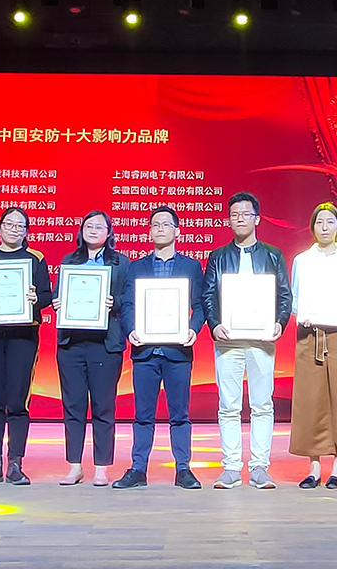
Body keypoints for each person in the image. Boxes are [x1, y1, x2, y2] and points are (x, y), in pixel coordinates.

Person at [202, 191, 293, 490]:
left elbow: (284, 294)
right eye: (234, 215)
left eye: (245, 214)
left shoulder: (272, 255)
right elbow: (208, 294)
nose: (240, 219)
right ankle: (230, 467)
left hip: (262, 340)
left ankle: (259, 467)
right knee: (228, 405)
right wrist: (214, 324)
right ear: (229, 220)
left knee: (262, 405)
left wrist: (280, 322)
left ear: (257, 218)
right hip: (227, 340)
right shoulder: (218, 256)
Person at [113, 206, 206, 490]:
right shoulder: (136, 267)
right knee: (143, 416)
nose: (160, 229)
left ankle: (183, 469)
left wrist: (193, 329)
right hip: (145, 352)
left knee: (180, 415)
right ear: (150, 232)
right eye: (155, 225)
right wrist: (131, 330)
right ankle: (138, 469)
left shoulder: (191, 266)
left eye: (166, 224)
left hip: (178, 352)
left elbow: (200, 305)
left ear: (177, 231)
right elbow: (128, 304)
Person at [0, 207, 52, 486]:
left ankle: (15, 464)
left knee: (17, 401)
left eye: (20, 226)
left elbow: (47, 296)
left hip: (23, 336)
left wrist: (35, 299)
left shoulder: (35, 259)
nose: (15, 229)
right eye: (9, 224)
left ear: (26, 231)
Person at [289, 203, 337, 490]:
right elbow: (295, 297)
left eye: (329, 222)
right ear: (312, 227)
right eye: (319, 222)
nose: (324, 227)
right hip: (310, 335)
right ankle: (313, 467)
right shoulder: (302, 260)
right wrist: (303, 314)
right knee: (311, 400)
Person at [52, 210, 129, 487]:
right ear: (81, 231)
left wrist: (113, 302)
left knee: (103, 406)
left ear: (109, 233)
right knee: (73, 406)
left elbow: (129, 298)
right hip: (72, 344)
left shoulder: (120, 263)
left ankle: (101, 467)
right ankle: (74, 466)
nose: (93, 230)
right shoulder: (69, 261)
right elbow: (58, 294)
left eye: (99, 226)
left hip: (105, 345)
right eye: (88, 226)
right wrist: (57, 302)